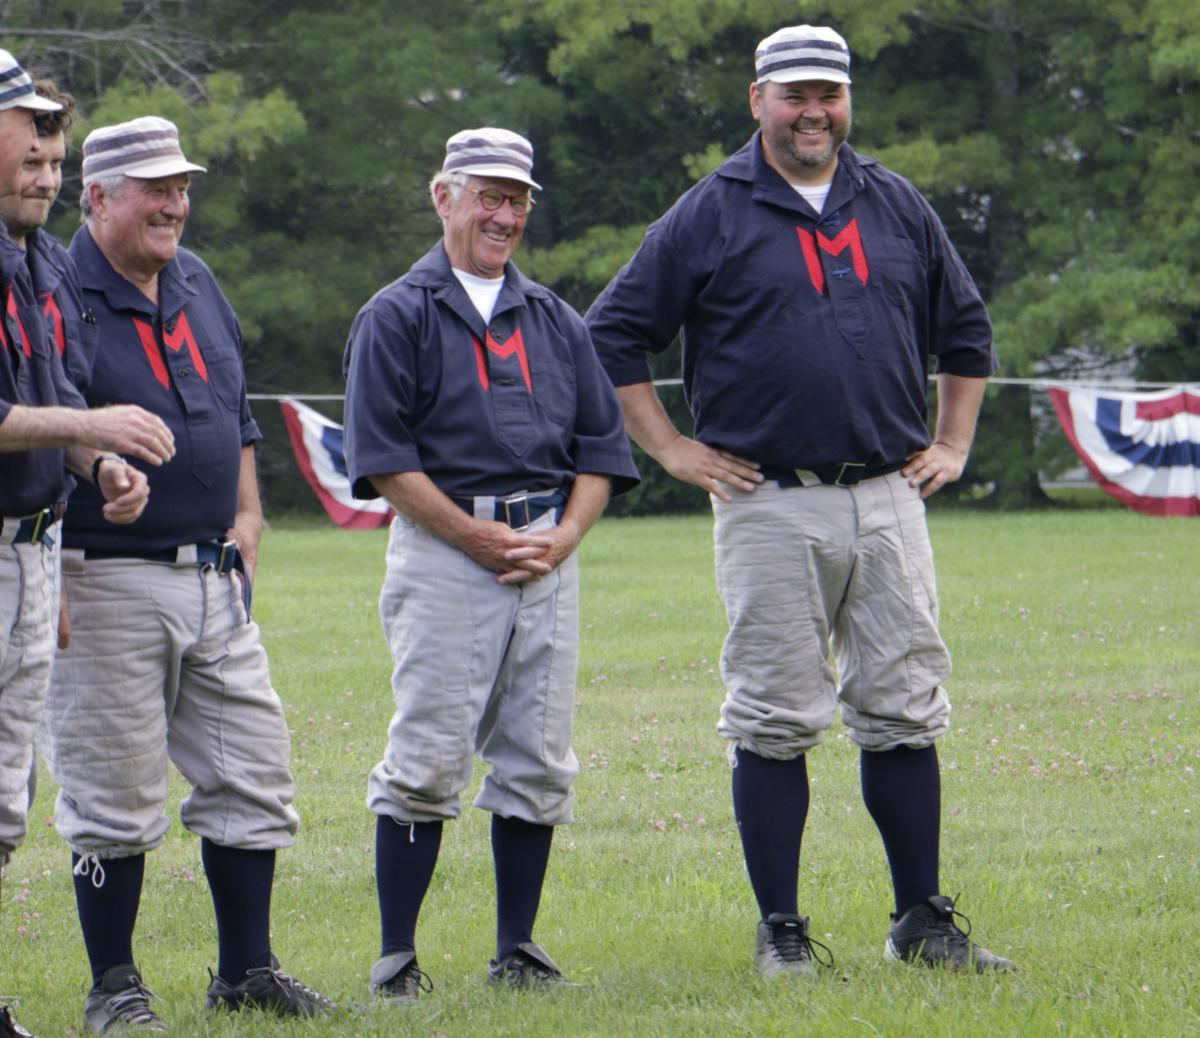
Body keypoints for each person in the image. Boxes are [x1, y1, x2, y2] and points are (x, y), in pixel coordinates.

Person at [586, 25, 1015, 976]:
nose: (812, 111)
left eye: (828, 92)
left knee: (903, 708)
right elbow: (611, 333)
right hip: (769, 502)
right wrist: (670, 447)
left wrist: (952, 442)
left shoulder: (895, 202)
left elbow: (968, 328)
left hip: (888, 497)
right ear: (757, 101)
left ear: (847, 100)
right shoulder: (712, 210)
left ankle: (923, 922)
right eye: (794, 95)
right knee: (776, 716)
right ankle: (782, 930)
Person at [38, 116, 333, 1033]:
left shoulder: (196, 279)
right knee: (114, 795)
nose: (175, 203)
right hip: (103, 575)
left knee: (253, 776)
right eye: (154, 188)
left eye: (182, 185)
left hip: (214, 576)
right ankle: (114, 988)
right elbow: (45, 419)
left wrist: (248, 513)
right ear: (96, 198)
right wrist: (94, 472)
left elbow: (232, 408)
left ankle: (245, 971)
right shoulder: (58, 287)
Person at [343, 127, 638, 1002]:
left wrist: (567, 535)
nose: (503, 215)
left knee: (539, 757)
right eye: (488, 196)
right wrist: (472, 538)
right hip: (446, 549)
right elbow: (385, 459)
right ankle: (397, 956)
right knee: (429, 754)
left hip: (547, 550)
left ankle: (519, 948)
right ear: (445, 196)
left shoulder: (554, 318)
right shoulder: (396, 313)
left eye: (518, 200)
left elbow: (601, 450)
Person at [1, 52, 173, 1038]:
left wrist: (97, 465)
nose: (48, 166)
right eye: (30, 142)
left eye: (57, 149)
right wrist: (95, 427)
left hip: (30, 554)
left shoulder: (40, 267)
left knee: (2, 803)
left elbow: (57, 406)